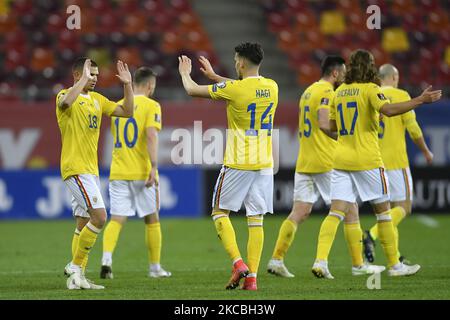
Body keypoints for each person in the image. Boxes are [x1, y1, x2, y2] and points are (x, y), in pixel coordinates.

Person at [311, 49, 441, 278]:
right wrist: (420, 100)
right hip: (368, 160)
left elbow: (331, 126)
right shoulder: (371, 89)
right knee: (383, 212)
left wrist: (347, 134)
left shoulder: (339, 91)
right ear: (369, 66)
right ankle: (394, 265)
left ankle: (320, 261)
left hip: (341, 159)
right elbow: (389, 110)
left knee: (335, 212)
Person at [266, 56, 383, 278]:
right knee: (350, 210)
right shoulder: (328, 93)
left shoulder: (308, 91)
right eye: (344, 72)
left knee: (300, 212)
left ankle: (276, 259)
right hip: (326, 160)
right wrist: (347, 134)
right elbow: (322, 122)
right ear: (336, 73)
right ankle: (357, 265)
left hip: (305, 160)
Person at [178, 42, 278, 291]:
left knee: (220, 212)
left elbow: (192, 90)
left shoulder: (235, 89)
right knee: (256, 220)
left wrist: (184, 73)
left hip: (239, 161)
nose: (234, 64)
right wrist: (215, 77)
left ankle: (238, 263)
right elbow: (244, 88)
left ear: (242, 63)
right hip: (265, 163)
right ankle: (252, 279)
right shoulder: (272, 86)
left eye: (236, 61)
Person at [57, 57, 134, 289]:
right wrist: (82, 82)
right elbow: (66, 104)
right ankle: (75, 264)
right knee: (99, 217)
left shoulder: (98, 100)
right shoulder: (63, 95)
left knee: (82, 223)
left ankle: (77, 278)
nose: (95, 79)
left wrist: (128, 85)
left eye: (97, 75)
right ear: (78, 75)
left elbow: (127, 111)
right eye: (91, 74)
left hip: (90, 170)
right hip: (75, 167)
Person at [100, 67, 171, 279]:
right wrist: (154, 165)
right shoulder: (152, 105)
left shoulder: (120, 105)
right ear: (150, 85)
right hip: (142, 172)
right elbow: (150, 135)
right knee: (152, 219)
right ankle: (155, 268)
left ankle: (106, 259)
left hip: (119, 171)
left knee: (116, 219)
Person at [363, 64, 434, 263]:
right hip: (396, 162)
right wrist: (426, 152)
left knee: (387, 212)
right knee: (404, 207)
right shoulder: (401, 95)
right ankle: (372, 234)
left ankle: (396, 258)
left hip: (375, 162)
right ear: (394, 77)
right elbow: (413, 128)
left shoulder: (372, 94)